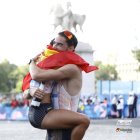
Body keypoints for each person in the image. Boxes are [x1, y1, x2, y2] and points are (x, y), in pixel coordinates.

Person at [22, 30, 98, 140]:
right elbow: (32, 84)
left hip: (55, 120)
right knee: (84, 120)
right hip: (47, 114)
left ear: (71, 48)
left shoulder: (71, 68)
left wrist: (31, 63)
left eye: (59, 44)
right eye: (54, 42)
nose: (54, 46)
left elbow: (36, 75)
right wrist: (30, 91)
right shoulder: (50, 67)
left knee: (84, 120)